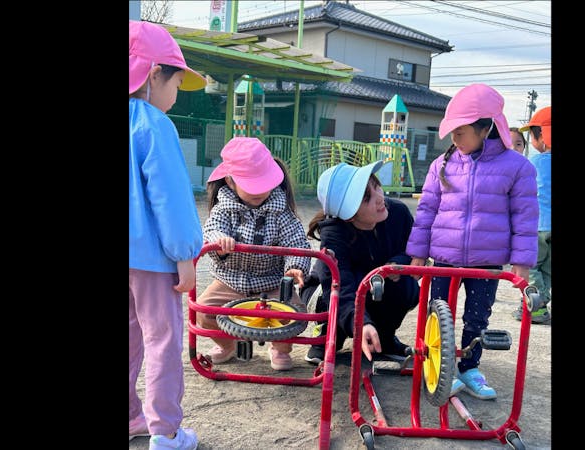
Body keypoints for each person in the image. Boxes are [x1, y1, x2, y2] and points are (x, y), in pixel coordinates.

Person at [406, 83, 538, 400]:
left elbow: (525, 217)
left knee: (477, 318)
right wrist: (418, 254)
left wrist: (521, 264)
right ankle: (436, 366)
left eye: (460, 132)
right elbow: (426, 211)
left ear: (485, 128)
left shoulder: (517, 167)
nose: (454, 139)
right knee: (437, 314)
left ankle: (468, 367)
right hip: (445, 258)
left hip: (488, 261)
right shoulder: (443, 164)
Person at [129, 20, 205, 450]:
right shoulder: (153, 125)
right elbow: (170, 196)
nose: (175, 93)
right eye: (175, 80)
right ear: (152, 74)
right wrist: (185, 255)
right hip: (153, 257)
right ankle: (166, 432)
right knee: (162, 339)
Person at [195, 137, 311, 371]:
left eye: (263, 183)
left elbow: (297, 241)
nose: (259, 191)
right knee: (204, 310)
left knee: (295, 311)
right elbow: (211, 229)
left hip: (271, 281)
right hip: (229, 280)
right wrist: (220, 240)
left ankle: (279, 348)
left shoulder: (280, 211)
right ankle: (228, 345)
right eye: (251, 184)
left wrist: (295, 266)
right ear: (230, 181)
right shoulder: (223, 209)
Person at [302, 161, 420, 365]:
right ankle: (326, 336)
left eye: (376, 186)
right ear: (349, 216)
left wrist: (397, 263)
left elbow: (412, 250)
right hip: (338, 290)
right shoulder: (334, 233)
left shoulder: (398, 213)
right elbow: (341, 288)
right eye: (367, 198)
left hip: (375, 285)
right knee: (331, 293)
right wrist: (361, 324)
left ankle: (383, 336)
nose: (380, 198)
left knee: (407, 286)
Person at [513, 106, 552, 323]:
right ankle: (542, 304)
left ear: (543, 139)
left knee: (532, 266)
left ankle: (535, 308)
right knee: (548, 269)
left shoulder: (533, 163)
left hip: (537, 226)